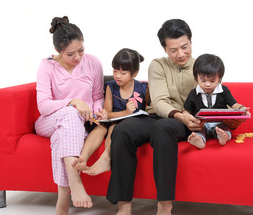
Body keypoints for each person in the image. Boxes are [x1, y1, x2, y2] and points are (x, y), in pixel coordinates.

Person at [106, 19, 209, 215]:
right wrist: (177, 114)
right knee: (123, 130)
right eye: (173, 50)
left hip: (186, 121)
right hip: (158, 116)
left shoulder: (202, 66)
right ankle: (124, 205)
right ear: (164, 48)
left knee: (163, 129)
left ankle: (164, 206)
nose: (180, 54)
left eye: (184, 47)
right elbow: (159, 101)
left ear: (191, 42)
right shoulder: (157, 66)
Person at [34, 16, 107, 214]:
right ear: (58, 51)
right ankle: (75, 182)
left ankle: (63, 200)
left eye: (81, 50)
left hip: (80, 125)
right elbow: (43, 106)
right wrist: (74, 102)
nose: (78, 58)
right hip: (48, 122)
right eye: (70, 54)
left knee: (63, 134)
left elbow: (97, 96)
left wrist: (98, 109)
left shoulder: (93, 63)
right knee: (68, 114)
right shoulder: (47, 66)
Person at [73, 48, 150, 176]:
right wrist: (122, 113)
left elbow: (151, 109)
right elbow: (108, 113)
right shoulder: (111, 86)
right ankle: (83, 157)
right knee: (100, 128)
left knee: (114, 128)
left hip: (129, 125)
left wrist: (129, 114)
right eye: (115, 71)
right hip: (114, 119)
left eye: (123, 73)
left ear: (134, 73)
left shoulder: (143, 88)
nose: (117, 76)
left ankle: (106, 159)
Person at [184, 53, 251, 149]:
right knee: (199, 131)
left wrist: (242, 108)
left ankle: (223, 137)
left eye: (212, 81)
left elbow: (234, 104)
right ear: (196, 78)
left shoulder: (224, 90)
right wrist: (188, 117)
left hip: (220, 124)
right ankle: (200, 140)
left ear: (219, 79)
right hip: (202, 125)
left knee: (225, 129)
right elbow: (186, 110)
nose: (207, 85)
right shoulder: (194, 93)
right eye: (203, 81)